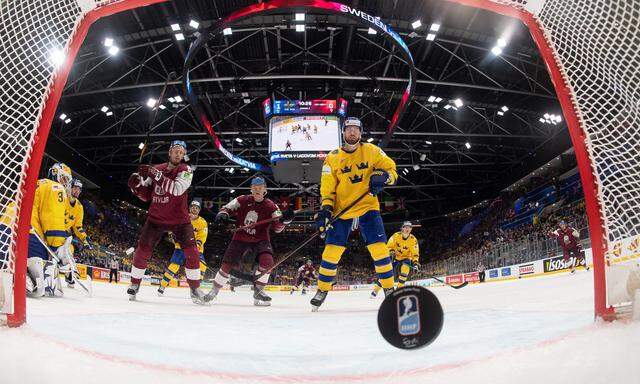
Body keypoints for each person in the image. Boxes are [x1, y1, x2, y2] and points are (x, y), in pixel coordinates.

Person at [311, 116, 397, 311]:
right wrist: (325, 210)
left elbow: (393, 171)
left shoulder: (373, 151)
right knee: (331, 252)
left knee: (380, 249)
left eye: (355, 129)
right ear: (342, 132)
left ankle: (389, 289)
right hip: (342, 210)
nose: (352, 132)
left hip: (368, 207)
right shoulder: (332, 158)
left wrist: (384, 177)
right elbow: (327, 190)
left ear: (360, 133)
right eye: (348, 128)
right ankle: (322, 290)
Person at [126, 140, 206, 304]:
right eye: (175, 150)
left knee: (192, 253)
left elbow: (176, 190)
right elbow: (146, 195)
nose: (178, 154)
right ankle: (135, 284)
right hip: (156, 218)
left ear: (184, 155)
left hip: (180, 220)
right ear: (169, 152)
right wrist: (137, 186)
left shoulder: (186, 170)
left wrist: (155, 174)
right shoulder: (158, 168)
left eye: (181, 152)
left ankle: (195, 288)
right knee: (142, 250)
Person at [204, 176, 294, 306]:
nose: (257, 190)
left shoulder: (271, 206)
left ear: (265, 190)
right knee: (226, 265)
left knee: (268, 262)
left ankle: (258, 293)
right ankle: (213, 291)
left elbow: (278, 228)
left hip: (261, 240)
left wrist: (284, 221)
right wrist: (223, 215)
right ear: (251, 189)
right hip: (240, 238)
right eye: (255, 188)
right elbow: (226, 208)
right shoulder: (242, 200)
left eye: (260, 187)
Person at [27, 163, 74, 297]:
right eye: (63, 178)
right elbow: (53, 220)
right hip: (28, 233)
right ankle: (23, 277)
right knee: (47, 260)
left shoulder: (38, 183)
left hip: (7, 226)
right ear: (54, 173)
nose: (65, 183)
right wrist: (57, 248)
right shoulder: (56, 187)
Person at [157, 200, 208, 296]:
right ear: (189, 208)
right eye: (192, 206)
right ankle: (162, 286)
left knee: (202, 266)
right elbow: (173, 228)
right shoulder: (183, 218)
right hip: (181, 247)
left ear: (199, 210)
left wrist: (196, 245)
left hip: (196, 248)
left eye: (196, 207)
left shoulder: (203, 222)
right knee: (174, 266)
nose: (194, 208)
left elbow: (202, 236)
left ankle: (195, 289)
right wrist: (173, 235)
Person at [370, 221, 419, 298]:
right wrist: (391, 252)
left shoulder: (413, 240)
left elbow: (415, 253)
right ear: (402, 228)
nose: (407, 229)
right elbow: (389, 246)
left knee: (405, 271)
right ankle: (375, 291)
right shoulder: (395, 236)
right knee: (386, 274)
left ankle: (398, 291)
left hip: (406, 258)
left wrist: (416, 264)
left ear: (411, 229)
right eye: (405, 227)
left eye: (409, 227)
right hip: (395, 258)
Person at [64, 178, 89, 288]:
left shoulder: (79, 207)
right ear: (69, 187)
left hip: (66, 235)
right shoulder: (62, 198)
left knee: (70, 250)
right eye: (75, 188)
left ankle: (69, 273)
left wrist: (84, 239)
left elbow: (78, 226)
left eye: (79, 189)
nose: (77, 191)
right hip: (53, 230)